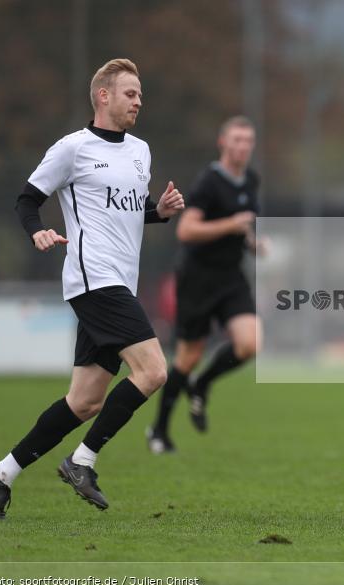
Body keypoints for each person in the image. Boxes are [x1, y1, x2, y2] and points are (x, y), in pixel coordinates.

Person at [0, 58, 185, 518]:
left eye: (141, 94)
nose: (139, 101)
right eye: (131, 93)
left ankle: (1, 474)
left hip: (118, 283)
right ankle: (82, 460)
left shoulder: (140, 151)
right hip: (94, 278)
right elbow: (27, 199)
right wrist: (37, 231)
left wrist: (160, 212)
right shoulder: (72, 148)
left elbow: (129, 211)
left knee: (86, 401)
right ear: (103, 96)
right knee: (154, 372)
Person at [146, 116, 262, 454]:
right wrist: (230, 224)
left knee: (249, 344)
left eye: (248, 140)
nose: (242, 146)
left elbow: (243, 226)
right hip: (197, 277)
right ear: (222, 143)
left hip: (231, 276)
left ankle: (201, 386)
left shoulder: (251, 179)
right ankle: (159, 430)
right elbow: (186, 231)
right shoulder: (208, 182)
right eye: (236, 140)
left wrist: (253, 242)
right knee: (189, 355)